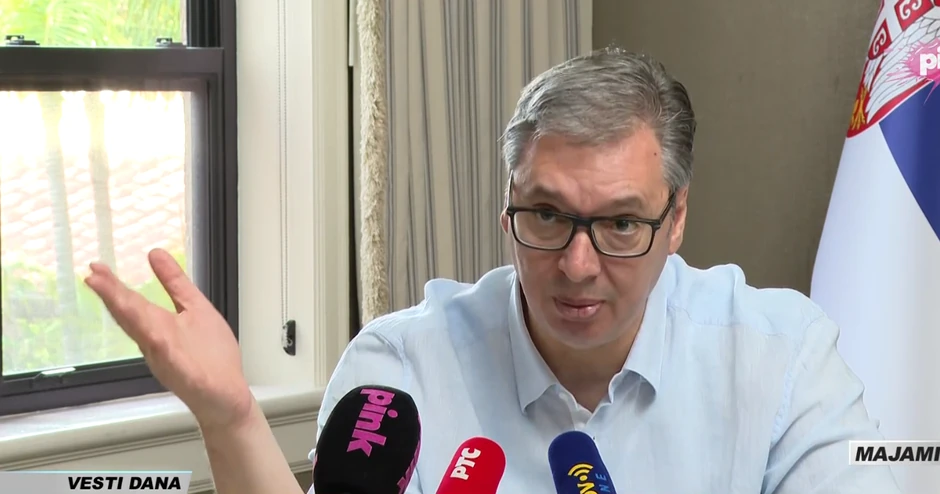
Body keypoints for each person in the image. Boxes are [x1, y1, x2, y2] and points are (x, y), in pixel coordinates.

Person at [86, 48, 900, 494]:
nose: (577, 266)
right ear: (506, 203)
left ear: (676, 217)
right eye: (546, 215)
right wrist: (231, 418)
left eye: (620, 224)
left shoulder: (781, 355)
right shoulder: (401, 368)